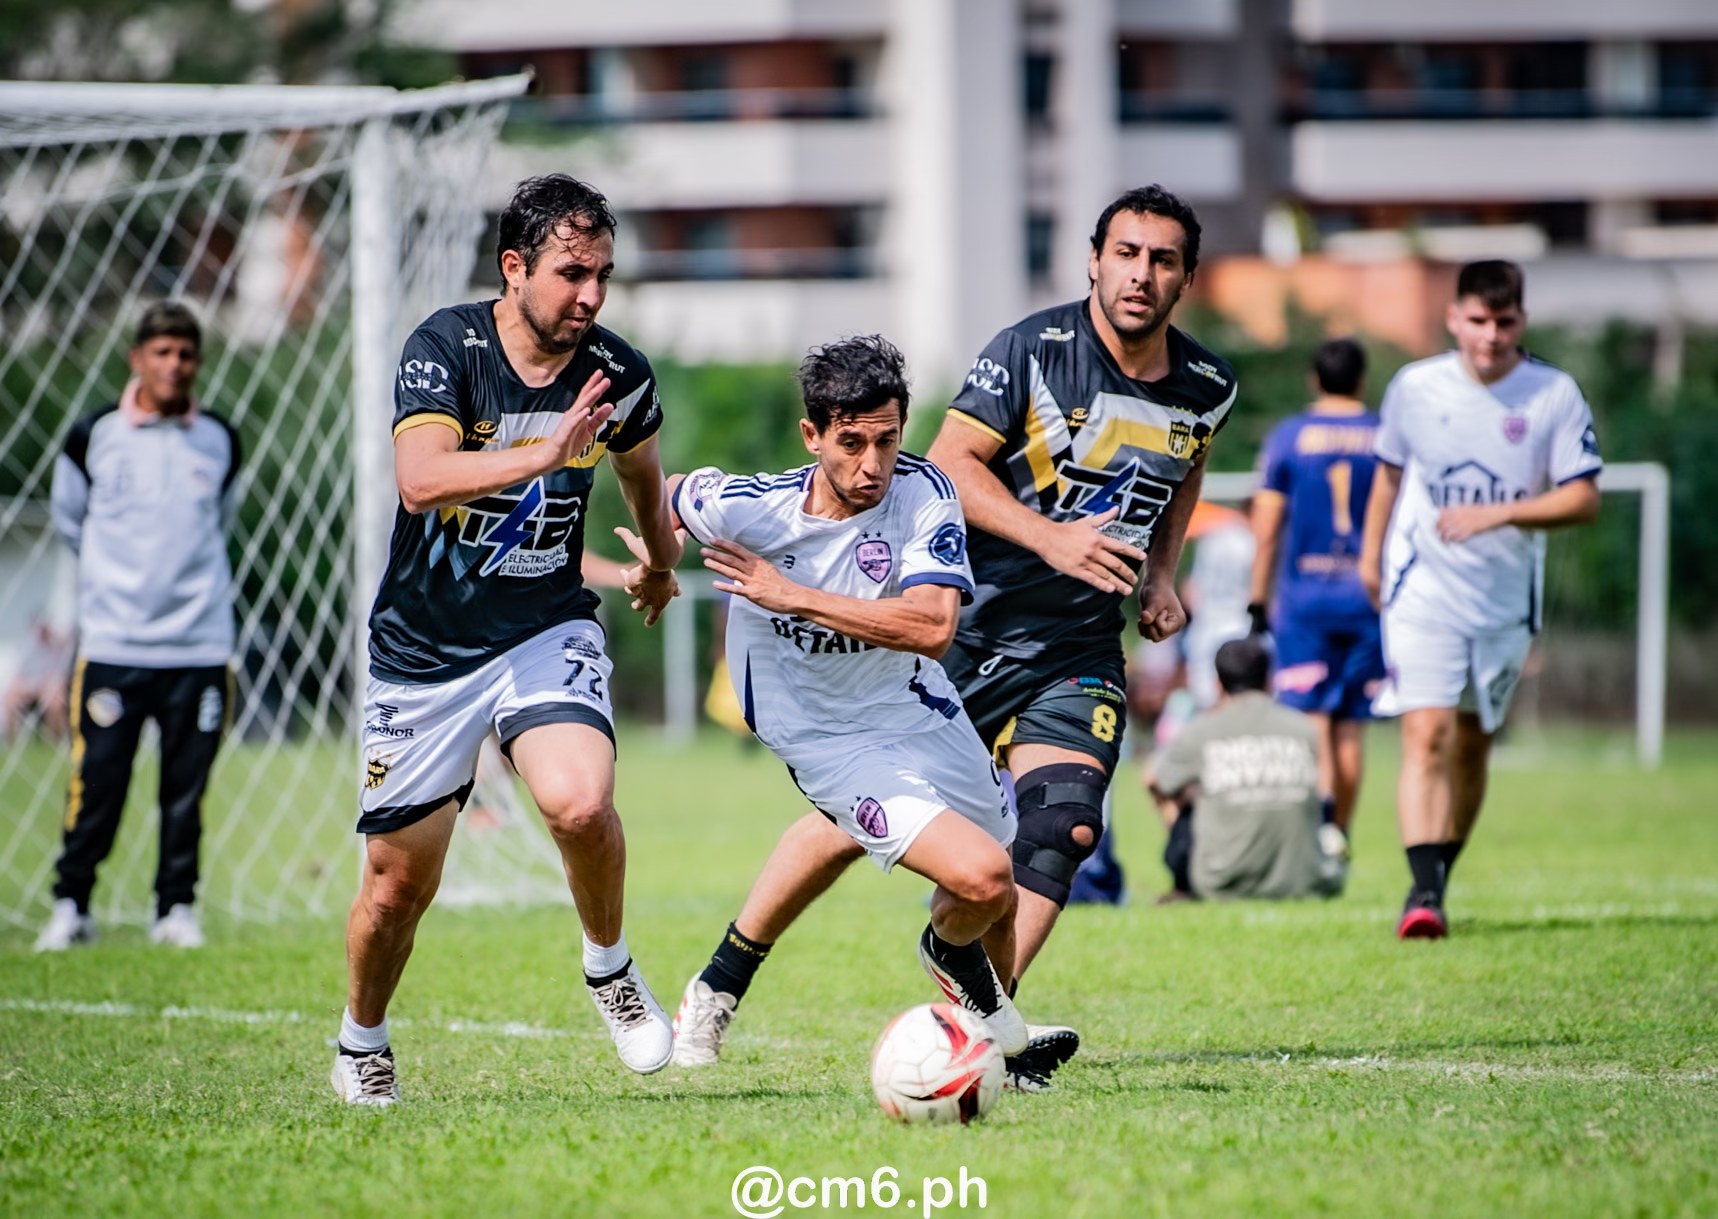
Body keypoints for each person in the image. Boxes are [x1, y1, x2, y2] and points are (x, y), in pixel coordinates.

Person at [667, 185, 1237, 1091]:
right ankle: (722, 981)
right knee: (845, 828)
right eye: (1127, 253)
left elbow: (1188, 464)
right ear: (1093, 259)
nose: (1142, 273)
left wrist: (1162, 572)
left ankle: (985, 1036)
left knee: (1061, 829)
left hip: (1078, 645)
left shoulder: (1208, 386)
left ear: (1187, 277)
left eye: (1163, 259)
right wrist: (1051, 538)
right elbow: (953, 461)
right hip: (970, 625)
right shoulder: (1032, 351)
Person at [331, 175, 683, 1106]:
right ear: (514, 266)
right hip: (426, 650)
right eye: (573, 273)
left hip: (543, 624)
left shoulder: (619, 368)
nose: (592, 296)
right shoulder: (444, 347)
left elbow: (642, 468)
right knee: (396, 888)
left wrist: (656, 558)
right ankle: (361, 1037)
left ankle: (608, 965)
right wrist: (547, 452)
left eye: (604, 274)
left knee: (577, 804)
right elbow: (421, 478)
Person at [643, 335, 1028, 1065]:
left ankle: (984, 1048)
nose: (872, 464)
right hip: (820, 730)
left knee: (994, 891)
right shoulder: (757, 509)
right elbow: (669, 490)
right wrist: (659, 564)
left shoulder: (924, 492)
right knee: (980, 876)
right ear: (811, 435)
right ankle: (959, 989)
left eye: (886, 440)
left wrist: (792, 595)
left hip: (911, 701)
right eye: (850, 442)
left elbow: (934, 626)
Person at [1358, 260, 1602, 940]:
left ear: (1521, 320)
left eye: (1504, 321)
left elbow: (1583, 497)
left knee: (1471, 744)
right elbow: (1387, 478)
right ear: (1453, 317)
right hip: (1421, 588)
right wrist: (1370, 557)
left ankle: (1435, 874)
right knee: (1425, 730)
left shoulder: (1552, 392)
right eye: (1477, 320)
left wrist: (1499, 515)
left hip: (1500, 600)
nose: (1490, 335)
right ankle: (1424, 892)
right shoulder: (1415, 387)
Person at [35, 302, 239, 954]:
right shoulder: (92, 434)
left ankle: (174, 909)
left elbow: (220, 524)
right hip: (114, 646)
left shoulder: (219, 437)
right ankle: (72, 905)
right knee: (97, 784)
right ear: (137, 358)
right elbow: (71, 519)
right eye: (162, 352)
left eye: (185, 354)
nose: (174, 365)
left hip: (201, 647)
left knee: (186, 793)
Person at [1248, 337, 1385, 857]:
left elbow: (1266, 528)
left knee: (1314, 718)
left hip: (1305, 600)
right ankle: (1340, 832)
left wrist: (1257, 599)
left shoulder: (1290, 436)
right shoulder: (1383, 434)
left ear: (1314, 379)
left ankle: (1321, 821)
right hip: (1369, 597)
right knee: (1352, 726)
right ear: (1361, 379)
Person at [1147, 637, 1345, 901]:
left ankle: (1185, 881)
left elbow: (1152, 778)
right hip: (1305, 881)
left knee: (1183, 793)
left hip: (1221, 883)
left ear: (1218, 686)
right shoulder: (1304, 729)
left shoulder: (1201, 732)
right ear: (1269, 680)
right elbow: (1325, 795)